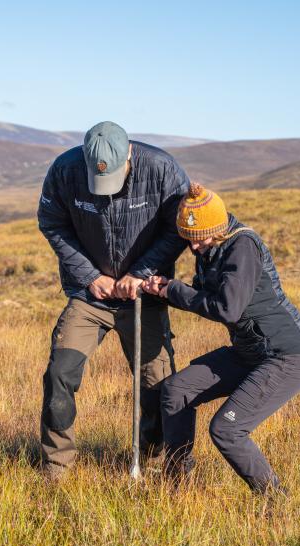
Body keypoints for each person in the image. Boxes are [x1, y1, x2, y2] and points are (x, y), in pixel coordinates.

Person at [143, 182, 300, 493]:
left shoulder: (243, 247)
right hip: (249, 351)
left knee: (227, 429)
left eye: (200, 239)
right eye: (189, 240)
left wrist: (174, 290)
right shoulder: (210, 248)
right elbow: (204, 296)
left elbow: (227, 308)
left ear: (219, 227)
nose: (195, 247)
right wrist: (163, 290)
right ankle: (176, 486)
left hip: (287, 356)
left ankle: (275, 500)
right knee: (176, 390)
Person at [37, 121, 190, 478]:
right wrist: (91, 277)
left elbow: (179, 228)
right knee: (60, 374)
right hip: (89, 298)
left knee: (156, 384)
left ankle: (151, 461)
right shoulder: (65, 170)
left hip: (144, 297)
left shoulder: (162, 170)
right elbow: (52, 224)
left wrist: (142, 272)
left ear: (130, 155)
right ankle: (55, 471)